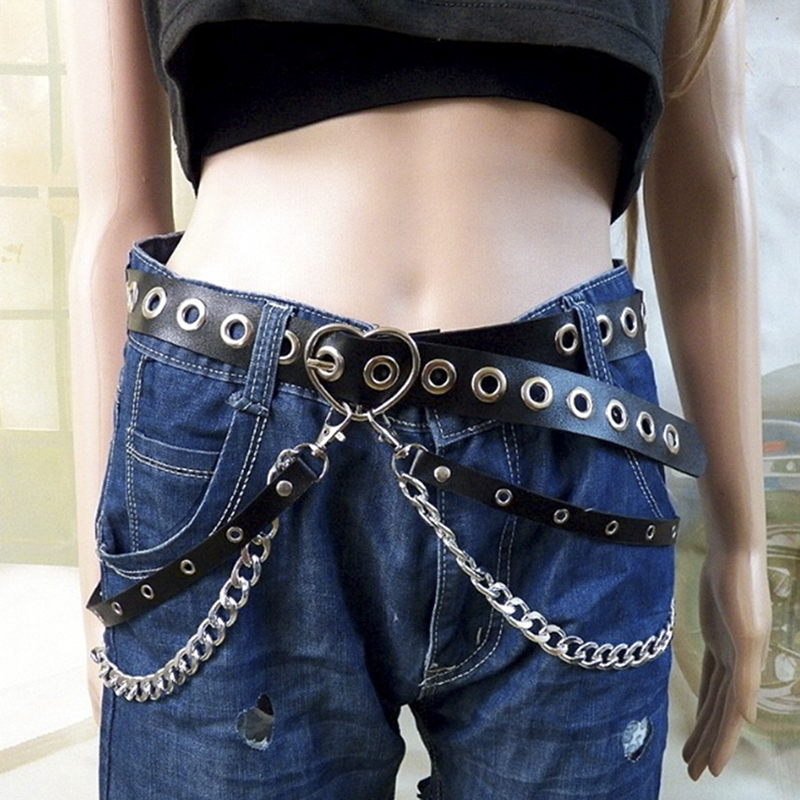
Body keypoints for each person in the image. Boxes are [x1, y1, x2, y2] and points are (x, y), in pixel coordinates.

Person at [64, 1, 770, 797]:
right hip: (231, 449)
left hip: (571, 453)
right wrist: (99, 578)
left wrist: (741, 539)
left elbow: (708, 176)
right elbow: (116, 213)